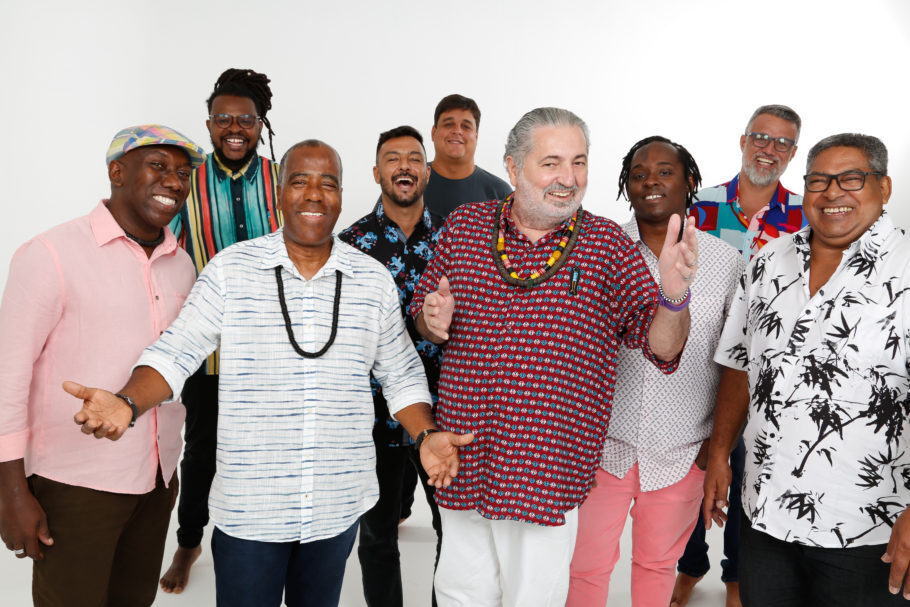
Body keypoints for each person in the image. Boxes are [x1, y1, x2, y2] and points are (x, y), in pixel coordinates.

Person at [66, 140, 473, 607]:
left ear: (342, 195)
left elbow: (401, 374)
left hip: (336, 506)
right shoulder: (231, 271)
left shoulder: (372, 280)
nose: (314, 194)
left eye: (328, 184)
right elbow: (177, 352)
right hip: (250, 511)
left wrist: (426, 435)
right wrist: (128, 401)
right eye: (300, 181)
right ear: (279, 193)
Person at [410, 107, 698, 606]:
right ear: (514, 167)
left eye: (579, 162)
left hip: (546, 467)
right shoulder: (464, 227)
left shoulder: (608, 245)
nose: (569, 179)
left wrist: (673, 296)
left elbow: (664, 348)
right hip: (464, 455)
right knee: (460, 595)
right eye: (552, 164)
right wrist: (431, 320)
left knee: (534, 599)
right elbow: (421, 314)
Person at [0, 124, 204, 606]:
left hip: (157, 479)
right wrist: (10, 491)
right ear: (117, 171)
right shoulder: (50, 254)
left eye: (182, 173)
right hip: (75, 485)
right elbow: (7, 377)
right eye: (158, 166)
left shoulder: (183, 265)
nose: (174, 182)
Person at [703, 133, 909, 606]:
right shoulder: (769, 260)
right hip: (765, 517)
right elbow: (738, 362)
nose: (832, 192)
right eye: (818, 180)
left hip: (868, 530)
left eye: (851, 178)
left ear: (885, 187)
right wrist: (718, 453)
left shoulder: (905, 270)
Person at [566, 136, 743, 607]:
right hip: (600, 447)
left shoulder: (725, 263)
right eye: (639, 173)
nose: (650, 181)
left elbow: (735, 361)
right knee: (583, 569)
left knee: (657, 568)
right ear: (626, 184)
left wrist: (719, 446)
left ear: (689, 182)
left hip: (684, 452)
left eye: (665, 171)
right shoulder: (597, 250)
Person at [673, 104, 807, 607]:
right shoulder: (699, 206)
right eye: (761, 137)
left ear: (793, 153)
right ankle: (688, 565)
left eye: (782, 143)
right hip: (694, 362)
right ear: (743, 139)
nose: (769, 149)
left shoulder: (803, 214)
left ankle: (736, 575)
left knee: (749, 472)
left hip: (764, 368)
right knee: (693, 471)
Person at [159, 67, 283, 595]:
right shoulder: (185, 181)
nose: (235, 128)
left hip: (279, 349)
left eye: (246, 119)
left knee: (274, 446)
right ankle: (189, 542)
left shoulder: (284, 179)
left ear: (262, 124)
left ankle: (275, 539)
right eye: (223, 118)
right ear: (209, 124)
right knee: (203, 450)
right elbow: (162, 253)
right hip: (210, 352)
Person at [339, 125, 444, 607]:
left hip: (445, 414)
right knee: (378, 537)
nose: (404, 166)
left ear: (427, 170)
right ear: (377, 171)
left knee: (454, 530)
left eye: (414, 158)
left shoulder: (458, 240)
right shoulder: (348, 244)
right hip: (372, 415)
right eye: (393, 158)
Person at [423, 93, 512, 219]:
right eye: (448, 124)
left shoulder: (499, 194)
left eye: (466, 126)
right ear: (433, 132)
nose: (457, 131)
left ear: (476, 136)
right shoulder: (407, 183)